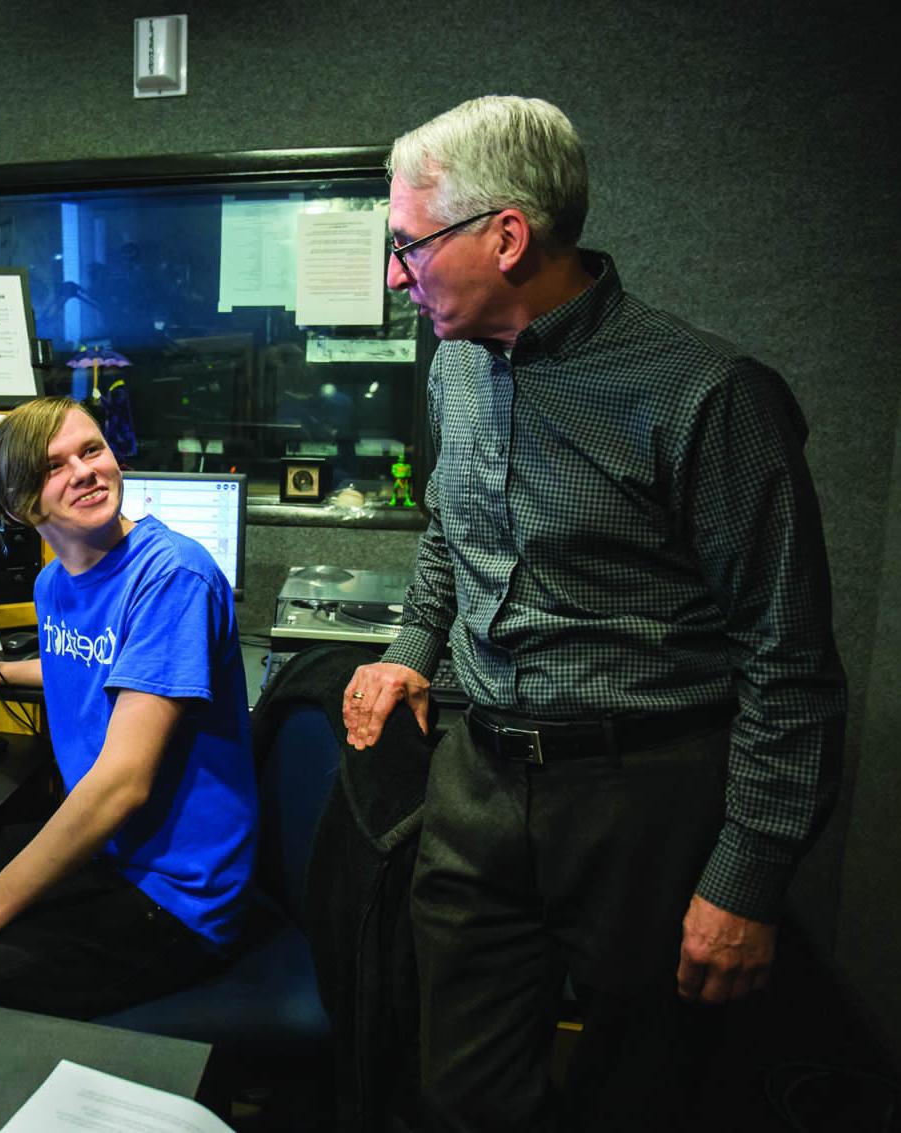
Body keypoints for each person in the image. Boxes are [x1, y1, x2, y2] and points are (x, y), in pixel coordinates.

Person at [342, 96, 846, 1130]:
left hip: (644, 796)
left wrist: (746, 875)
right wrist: (408, 648)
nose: (397, 277)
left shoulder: (705, 394)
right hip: (476, 778)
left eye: (408, 247)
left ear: (507, 235)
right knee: (457, 1086)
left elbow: (786, 656)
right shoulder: (453, 368)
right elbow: (448, 537)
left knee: (642, 1091)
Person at [0, 396, 257, 1018]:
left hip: (176, 898)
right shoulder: (54, 584)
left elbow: (122, 784)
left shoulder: (172, 576)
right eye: (52, 466)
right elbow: (94, 661)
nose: (85, 471)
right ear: (17, 505)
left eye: (91, 450)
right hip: (110, 855)